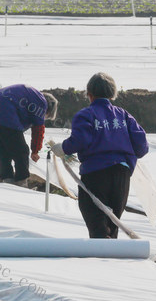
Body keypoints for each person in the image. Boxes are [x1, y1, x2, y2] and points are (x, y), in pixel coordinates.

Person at [51, 73, 148, 239]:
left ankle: (101, 261)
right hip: (122, 175)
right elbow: (142, 147)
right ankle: (111, 260)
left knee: (97, 225)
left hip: (96, 174)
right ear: (112, 93)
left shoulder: (86, 115)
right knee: (113, 224)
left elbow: (80, 140)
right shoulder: (124, 116)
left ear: (89, 94)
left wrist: (63, 148)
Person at [0, 85, 58, 186]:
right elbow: (38, 129)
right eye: (45, 117)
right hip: (5, 113)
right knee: (22, 152)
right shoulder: (41, 102)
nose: (43, 118)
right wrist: (35, 151)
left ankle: (7, 182)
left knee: (3, 154)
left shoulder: (29, 97)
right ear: (48, 110)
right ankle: (21, 183)